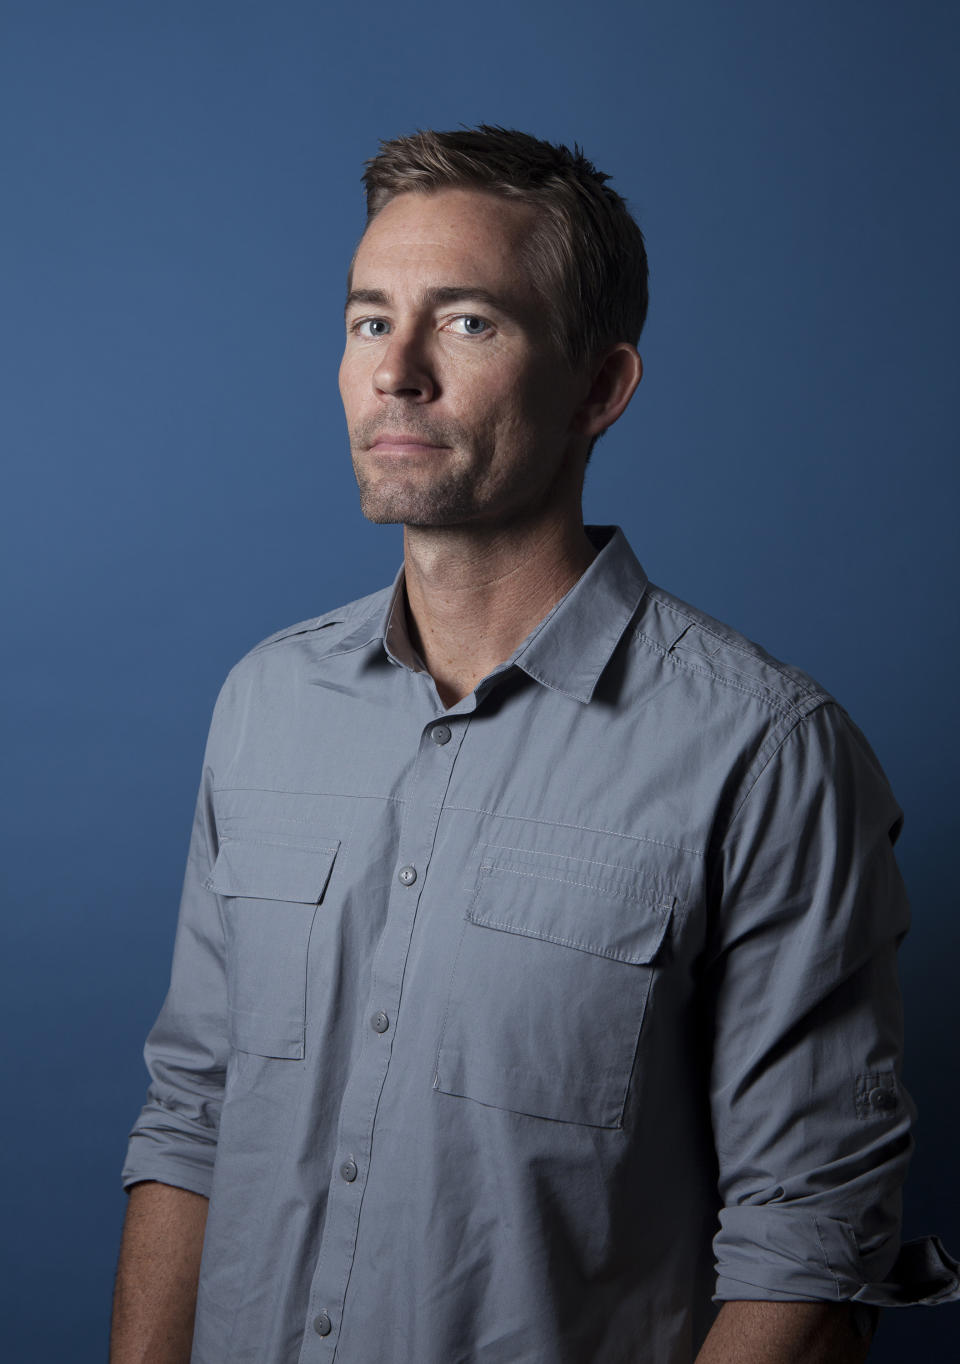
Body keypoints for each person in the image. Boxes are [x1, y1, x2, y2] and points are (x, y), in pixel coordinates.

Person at [111, 127, 958, 1364]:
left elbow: (810, 1246)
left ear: (600, 387)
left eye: (467, 323)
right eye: (366, 321)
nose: (396, 372)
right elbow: (192, 1118)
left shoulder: (767, 753)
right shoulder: (263, 703)